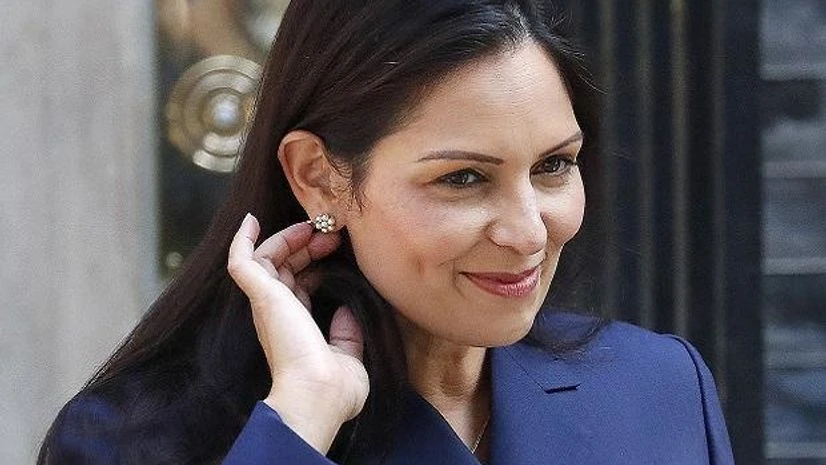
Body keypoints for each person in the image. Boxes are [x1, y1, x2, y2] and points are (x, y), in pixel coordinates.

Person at [38, 1, 736, 464]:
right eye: (463, 177)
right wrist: (301, 418)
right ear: (319, 177)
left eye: (554, 165)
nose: (528, 230)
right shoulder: (133, 441)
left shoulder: (658, 387)